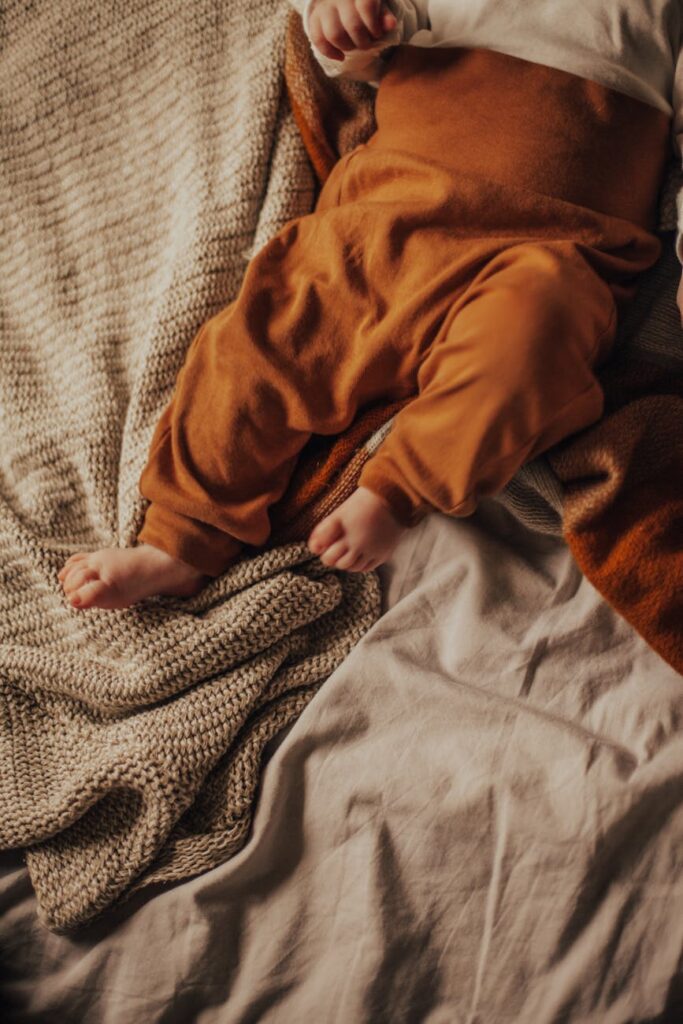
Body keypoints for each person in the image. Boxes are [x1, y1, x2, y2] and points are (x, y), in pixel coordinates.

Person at [58, 0, 683, 610]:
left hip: (554, 248)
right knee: (268, 336)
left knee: (535, 339)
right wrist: (339, 23)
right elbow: (355, 44)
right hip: (390, 215)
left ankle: (399, 488)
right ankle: (183, 536)